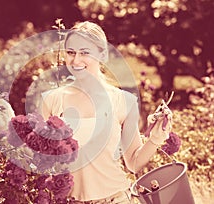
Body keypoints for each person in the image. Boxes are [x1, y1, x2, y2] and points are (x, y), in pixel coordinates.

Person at [39, 21, 172, 204]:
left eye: (85, 52)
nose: (76, 60)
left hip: (116, 199)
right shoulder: (51, 100)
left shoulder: (123, 101)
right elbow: (40, 161)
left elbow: (133, 162)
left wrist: (156, 138)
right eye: (71, 52)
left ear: (102, 54)